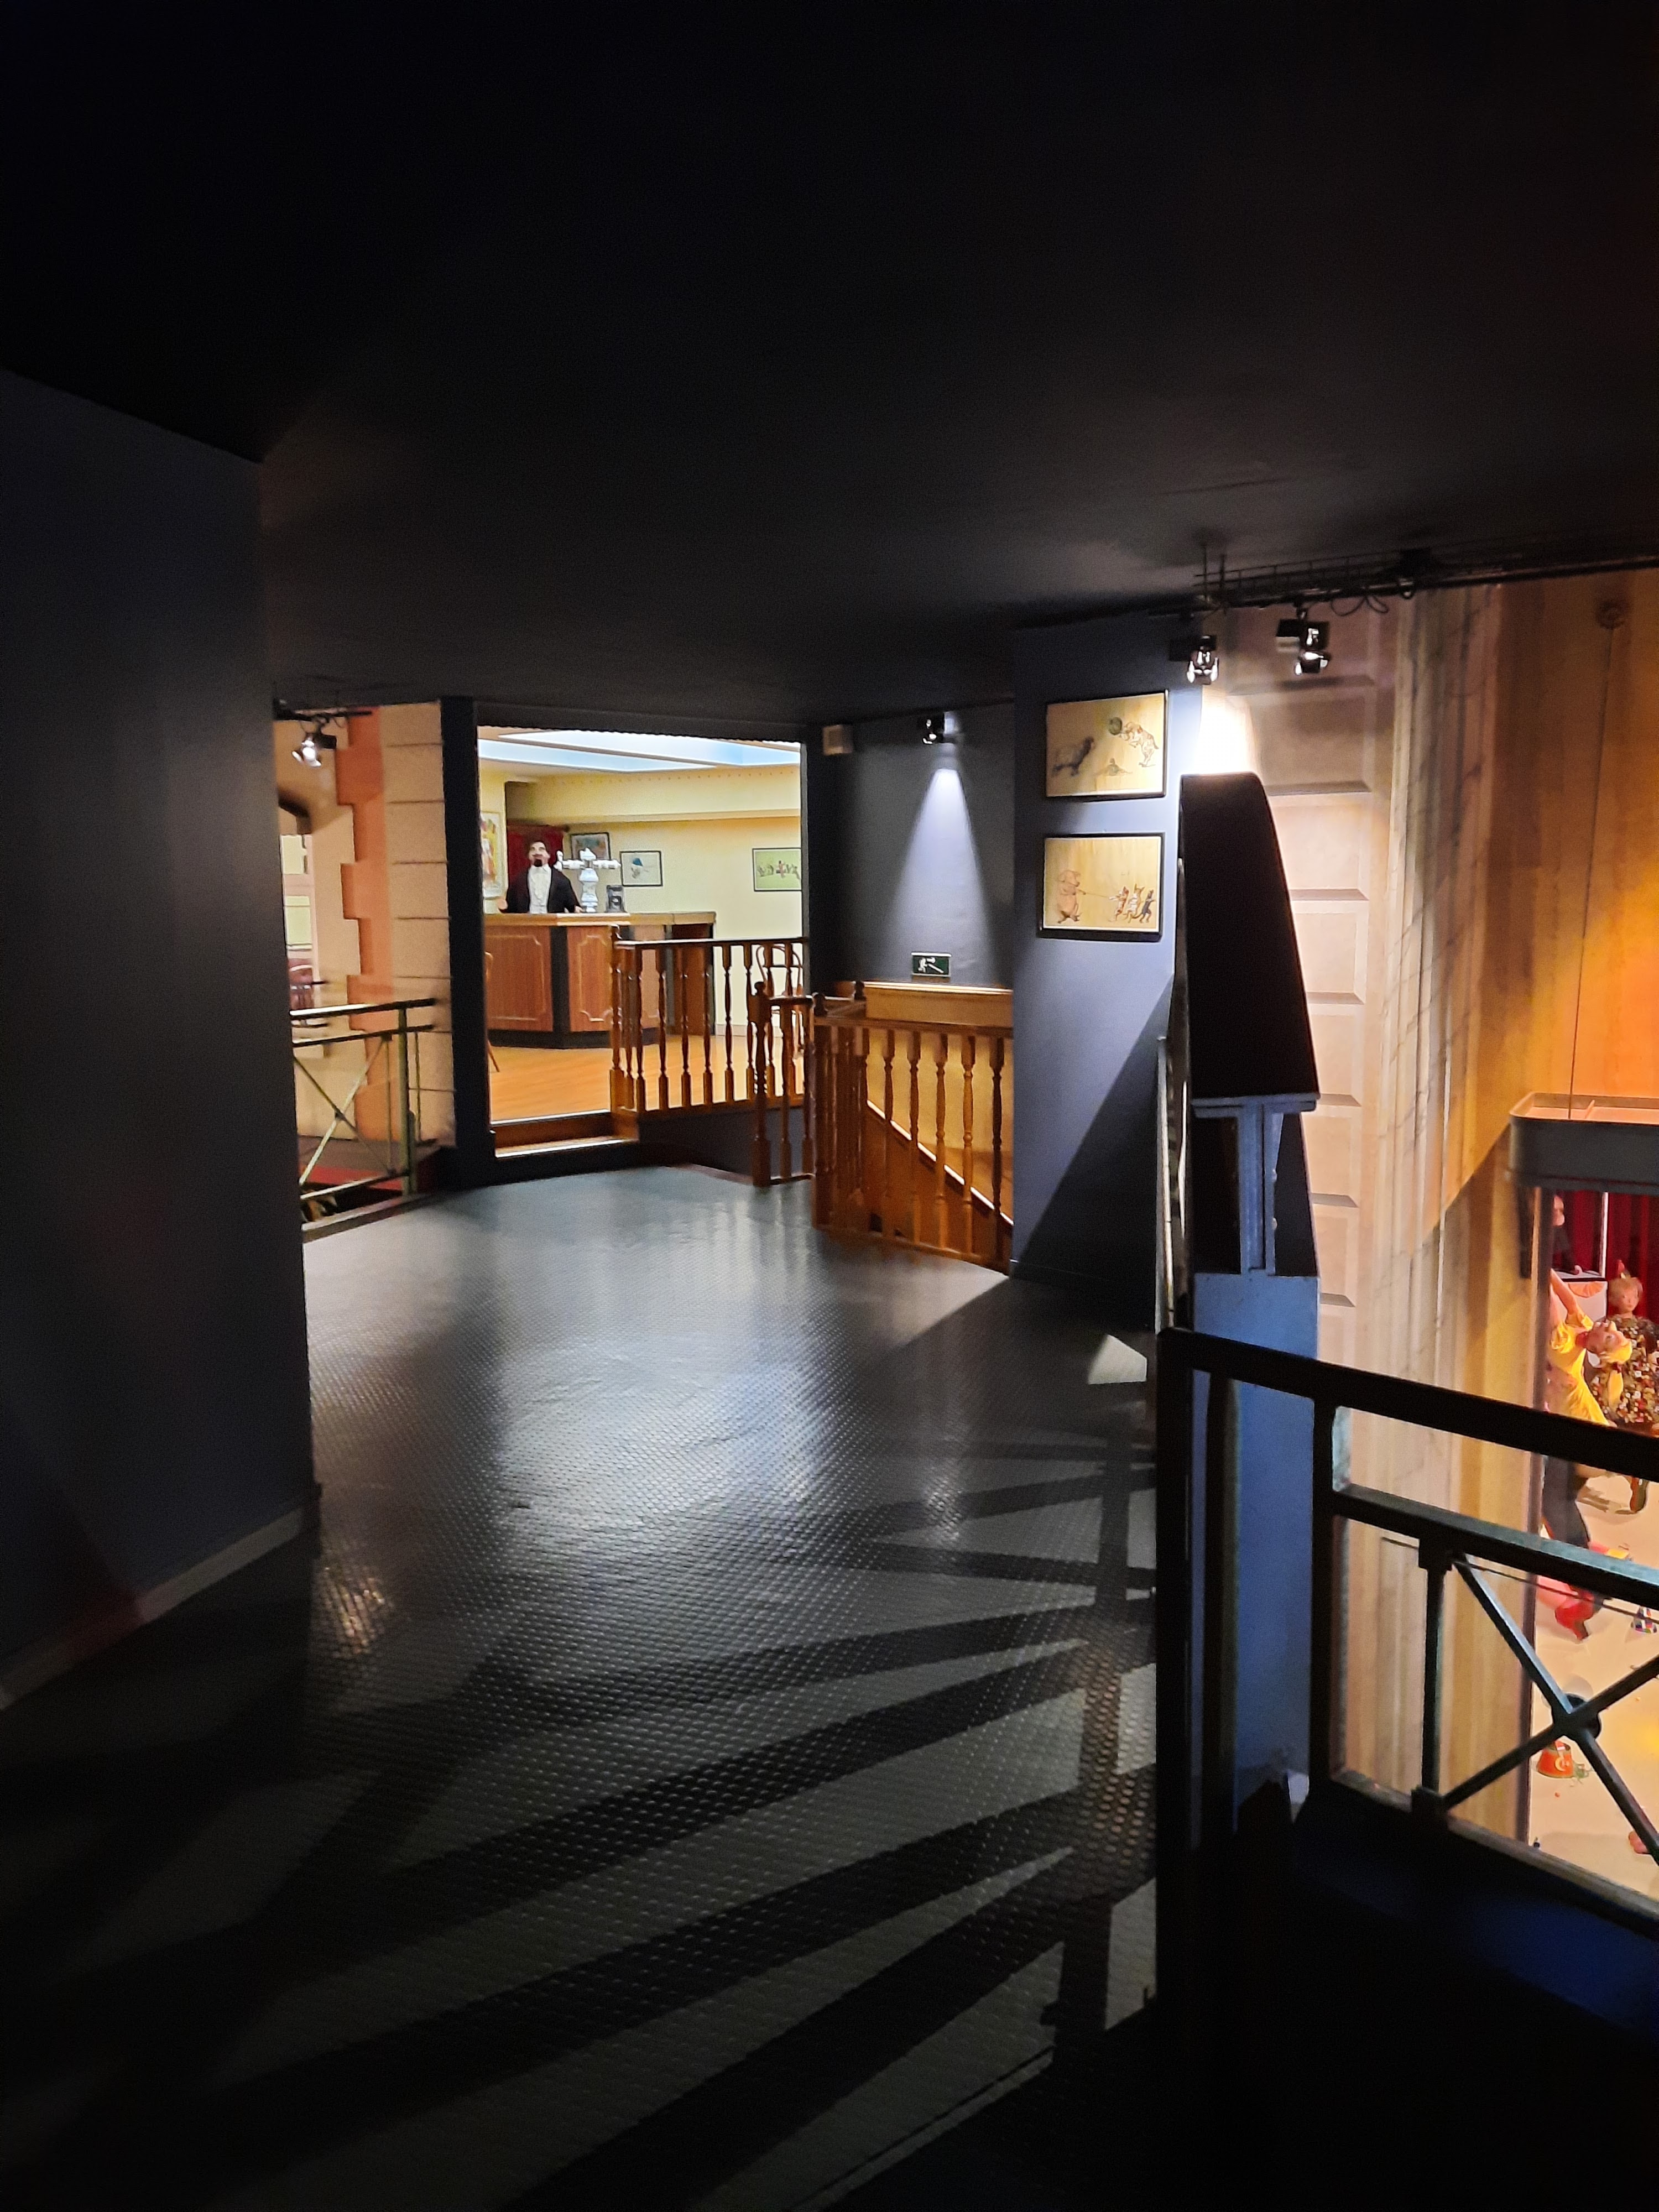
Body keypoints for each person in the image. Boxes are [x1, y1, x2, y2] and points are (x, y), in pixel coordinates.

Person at [1542, 1269, 1633, 1637]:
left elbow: (1551, 1304)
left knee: (1552, 1507)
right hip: (1573, 1430)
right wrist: (1548, 1271)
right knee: (1561, 1503)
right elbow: (1565, 1297)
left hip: (1575, 1434)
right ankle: (1597, 1570)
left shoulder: (1568, 1354)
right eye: (1610, 1328)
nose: (1607, 1324)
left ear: (1597, 1350)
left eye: (1609, 1335)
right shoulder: (1579, 1326)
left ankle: (1584, 1587)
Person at [505, 839, 577, 914]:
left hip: (552, 921)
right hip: (527, 921)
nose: (537, 853)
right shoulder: (518, 881)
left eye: (541, 849)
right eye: (533, 849)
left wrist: (576, 909)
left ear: (548, 855)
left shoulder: (561, 880)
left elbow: (572, 906)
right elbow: (510, 908)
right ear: (528, 855)